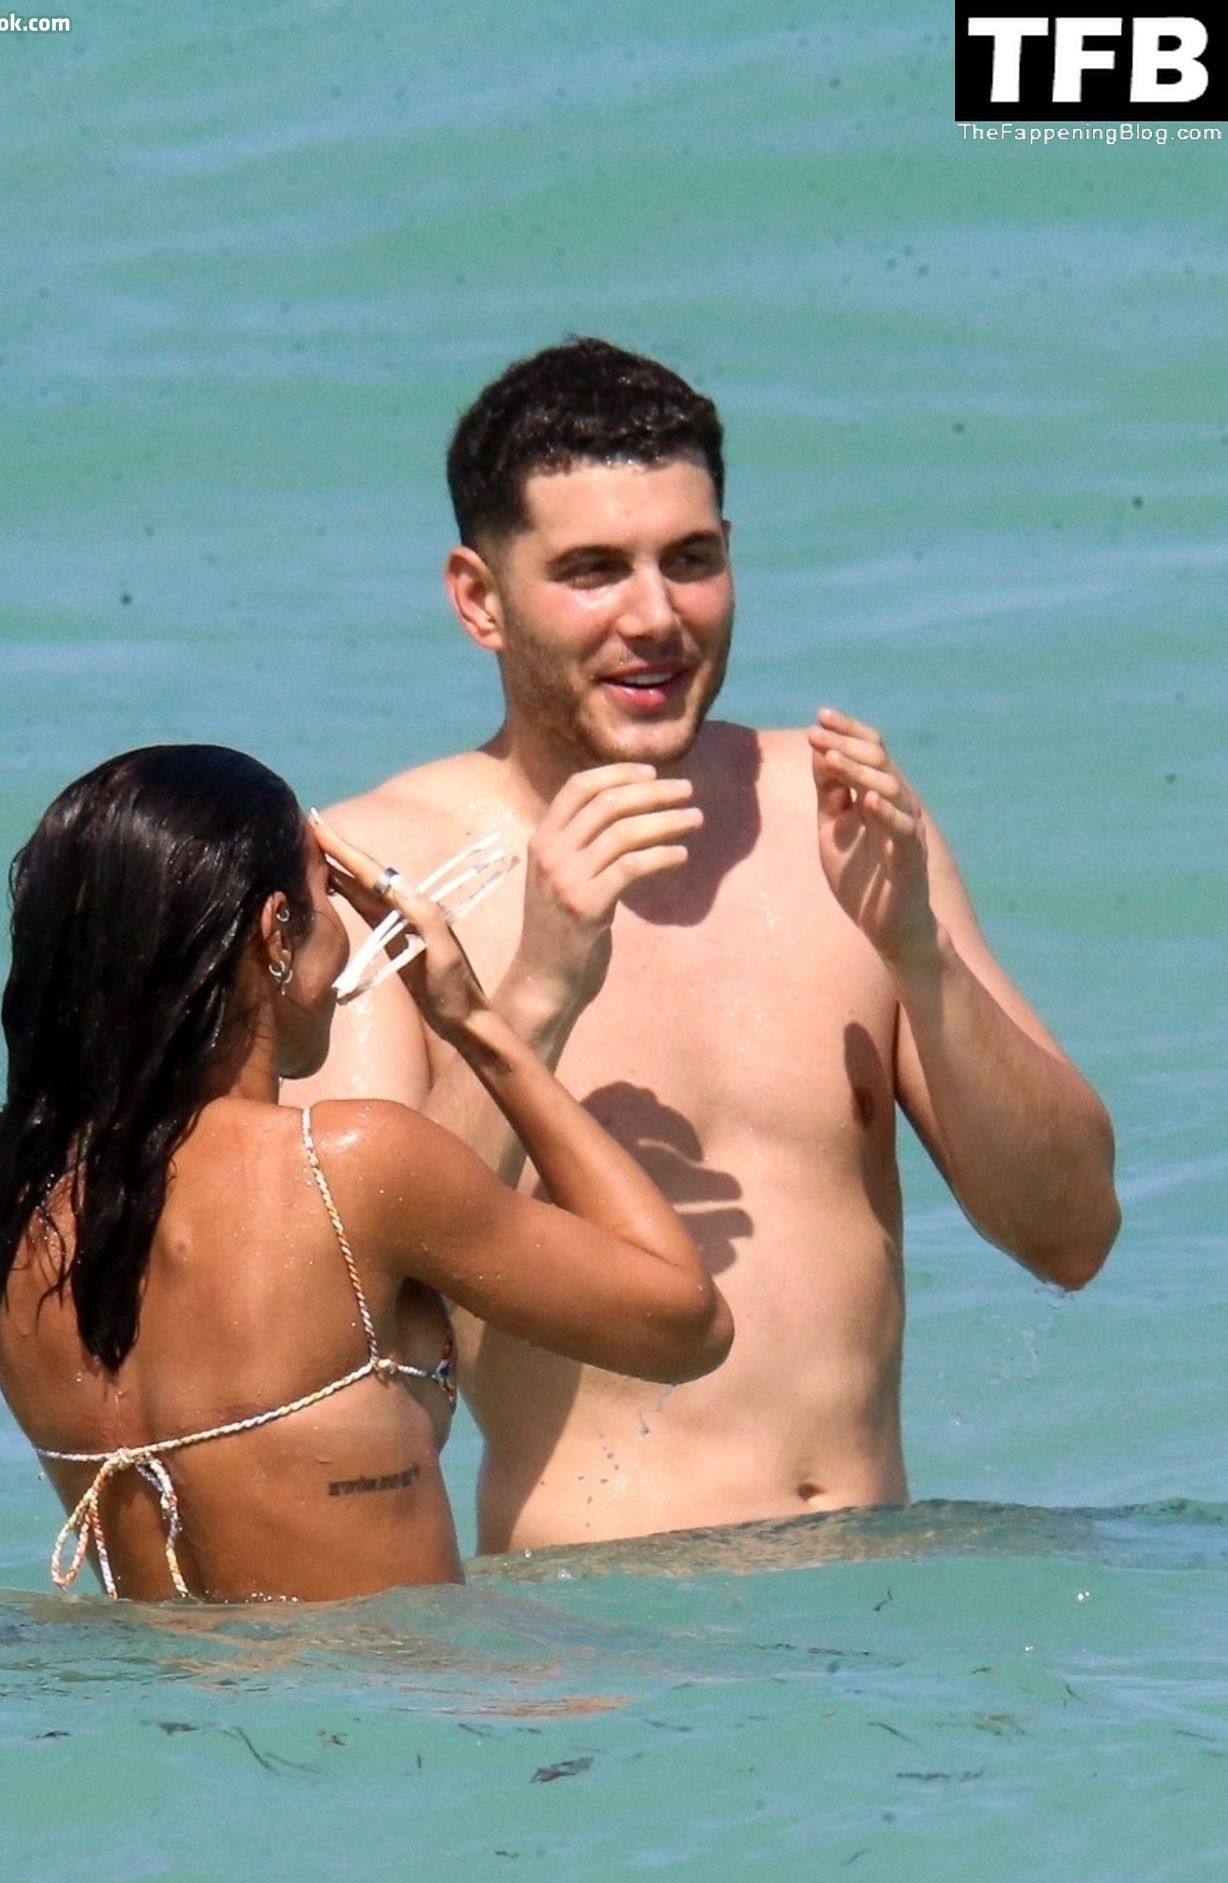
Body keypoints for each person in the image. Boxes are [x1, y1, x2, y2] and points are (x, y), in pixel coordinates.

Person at [286, 336, 1121, 1554]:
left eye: (690, 560)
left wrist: (920, 959)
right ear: (479, 598)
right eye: (591, 571)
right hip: (604, 1625)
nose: (655, 617)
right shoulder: (376, 874)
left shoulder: (833, 814)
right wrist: (533, 996)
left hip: (868, 1597)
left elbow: (1072, 1235)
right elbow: (330, 1326)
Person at [0, 744, 730, 1603]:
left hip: (141, 1682)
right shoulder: (346, 1166)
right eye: (330, 895)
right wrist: (477, 1025)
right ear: (277, 933)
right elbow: (686, 1328)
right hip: (386, 1681)